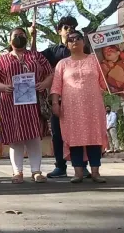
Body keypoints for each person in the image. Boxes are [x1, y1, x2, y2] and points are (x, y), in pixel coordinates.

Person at [0, 27, 54, 184]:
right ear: (10, 40)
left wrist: (44, 84)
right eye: (15, 36)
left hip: (33, 104)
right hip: (11, 105)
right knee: (15, 139)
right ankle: (17, 172)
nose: (18, 38)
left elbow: (51, 73)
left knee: (34, 137)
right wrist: (4, 87)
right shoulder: (2, 59)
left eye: (22, 35)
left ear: (27, 37)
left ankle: (36, 171)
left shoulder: (36, 56)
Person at [51, 30, 109, 183]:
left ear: (84, 41)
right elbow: (56, 86)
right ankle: (78, 173)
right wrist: (55, 103)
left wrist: (121, 90)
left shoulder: (95, 60)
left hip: (93, 106)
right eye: (70, 39)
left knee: (94, 137)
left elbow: (105, 82)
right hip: (71, 108)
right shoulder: (62, 64)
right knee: (74, 138)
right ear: (67, 44)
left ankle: (95, 172)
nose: (74, 41)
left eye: (78, 38)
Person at [42, 16, 89, 178]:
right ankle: (60, 166)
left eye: (73, 27)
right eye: (66, 27)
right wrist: (32, 36)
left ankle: (83, 166)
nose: (70, 29)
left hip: (80, 98)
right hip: (58, 99)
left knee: (82, 132)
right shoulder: (52, 51)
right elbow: (34, 59)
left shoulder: (85, 49)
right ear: (59, 30)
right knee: (57, 134)